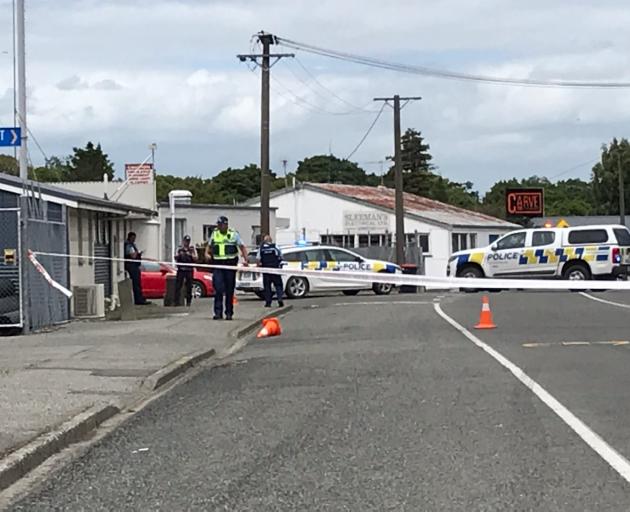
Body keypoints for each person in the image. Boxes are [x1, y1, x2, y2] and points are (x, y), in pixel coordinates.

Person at [205, 216, 248, 320]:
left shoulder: (233, 234)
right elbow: (209, 246)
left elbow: (242, 246)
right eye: (218, 225)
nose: (219, 226)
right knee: (218, 288)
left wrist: (245, 259)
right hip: (218, 264)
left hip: (230, 265)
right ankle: (218, 313)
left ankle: (229, 313)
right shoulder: (215, 233)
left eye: (221, 224)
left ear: (226, 224)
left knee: (229, 289)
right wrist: (206, 253)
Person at [257, 234, 284, 308]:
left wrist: (258, 267)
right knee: (278, 285)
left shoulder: (261, 249)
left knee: (267, 287)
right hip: (275, 269)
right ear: (271, 241)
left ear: (264, 241)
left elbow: (258, 259)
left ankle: (268, 302)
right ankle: (280, 299)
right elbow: (281, 256)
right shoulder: (275, 247)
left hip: (266, 270)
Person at [124, 232, 149, 305]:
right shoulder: (128, 245)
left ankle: (140, 298)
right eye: (133, 238)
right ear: (130, 237)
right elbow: (133, 256)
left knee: (138, 283)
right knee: (136, 283)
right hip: (131, 266)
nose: (134, 239)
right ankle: (138, 300)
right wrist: (138, 253)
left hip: (134, 265)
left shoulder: (131, 245)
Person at [174, 234, 197, 307]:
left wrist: (190, 254)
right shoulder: (179, 248)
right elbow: (175, 257)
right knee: (178, 286)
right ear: (183, 241)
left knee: (189, 287)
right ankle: (176, 302)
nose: (187, 243)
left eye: (188, 241)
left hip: (189, 270)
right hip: (181, 270)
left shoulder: (192, 249)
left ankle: (188, 302)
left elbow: (196, 258)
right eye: (186, 241)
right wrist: (179, 255)